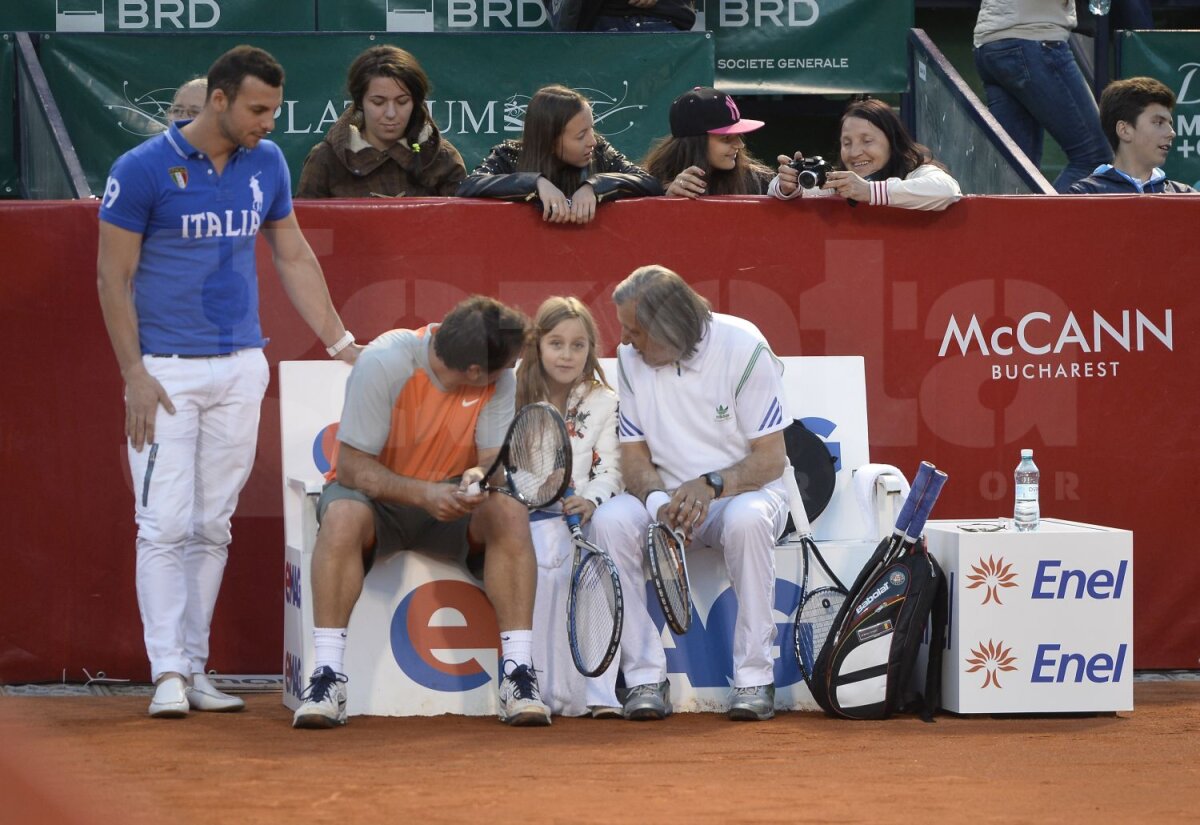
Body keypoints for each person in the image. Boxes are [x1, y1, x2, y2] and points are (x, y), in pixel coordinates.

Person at [97, 45, 361, 719]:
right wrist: (134, 372)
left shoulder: (266, 163)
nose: (269, 122)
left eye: (273, 108)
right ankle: (165, 672)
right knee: (163, 522)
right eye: (257, 109)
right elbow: (112, 278)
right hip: (165, 371)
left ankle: (194, 663)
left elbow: (293, 252)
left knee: (213, 524)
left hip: (242, 362)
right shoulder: (141, 169)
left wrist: (339, 340)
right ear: (219, 100)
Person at [292, 297, 556, 729]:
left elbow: (490, 460)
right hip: (376, 500)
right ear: (473, 373)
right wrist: (424, 494)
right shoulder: (382, 364)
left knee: (508, 511)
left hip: (449, 501)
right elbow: (354, 467)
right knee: (340, 518)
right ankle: (326, 677)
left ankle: (518, 675)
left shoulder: (497, 377)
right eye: (501, 367)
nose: (509, 372)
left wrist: (475, 480)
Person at [590, 265, 792, 722]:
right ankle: (643, 676)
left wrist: (712, 485)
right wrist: (661, 504)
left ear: (672, 330)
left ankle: (755, 677)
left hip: (739, 495)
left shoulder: (743, 346)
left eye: (636, 332)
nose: (624, 342)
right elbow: (635, 456)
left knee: (748, 520)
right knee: (609, 521)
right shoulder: (630, 359)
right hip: (666, 502)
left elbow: (771, 459)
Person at [515, 297, 624, 718]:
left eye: (578, 346)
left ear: (590, 351)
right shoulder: (514, 392)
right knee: (544, 561)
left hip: (579, 516)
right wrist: (535, 492)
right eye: (556, 343)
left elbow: (612, 469)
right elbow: (501, 465)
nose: (566, 354)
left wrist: (591, 500)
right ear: (538, 345)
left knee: (593, 564)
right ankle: (532, 689)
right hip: (525, 518)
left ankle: (597, 696)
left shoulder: (604, 401)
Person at [456, 84, 662, 225]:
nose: (592, 140)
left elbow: (649, 182)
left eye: (592, 128)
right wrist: (535, 182)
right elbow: (469, 186)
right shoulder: (509, 155)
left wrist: (596, 185)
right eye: (581, 135)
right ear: (550, 141)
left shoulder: (600, 152)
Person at [973, 0, 1112, 192]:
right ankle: (1045, 221)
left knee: (1018, 175)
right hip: (1033, 39)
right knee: (1095, 157)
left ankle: (1021, 221)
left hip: (992, 44)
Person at [296, 45, 465, 198]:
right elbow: (307, 229)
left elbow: (464, 228)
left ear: (416, 102)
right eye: (378, 102)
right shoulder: (326, 159)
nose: (391, 113)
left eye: (402, 102)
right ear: (360, 101)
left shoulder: (442, 158)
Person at [768, 98, 961, 212]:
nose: (855, 153)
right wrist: (787, 187)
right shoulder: (836, 185)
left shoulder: (916, 172)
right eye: (847, 143)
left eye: (867, 141)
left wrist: (869, 191)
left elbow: (947, 191)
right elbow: (773, 191)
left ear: (893, 142)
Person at [1069, 77, 1196, 194]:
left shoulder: (1186, 195)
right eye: (1158, 122)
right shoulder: (1085, 194)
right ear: (1124, 130)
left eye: (1170, 124)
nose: (1172, 133)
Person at [643, 86, 774, 198]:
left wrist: (786, 191)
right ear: (695, 144)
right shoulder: (649, 184)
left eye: (738, 135)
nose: (740, 145)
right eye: (726, 138)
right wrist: (665, 203)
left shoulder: (758, 180)